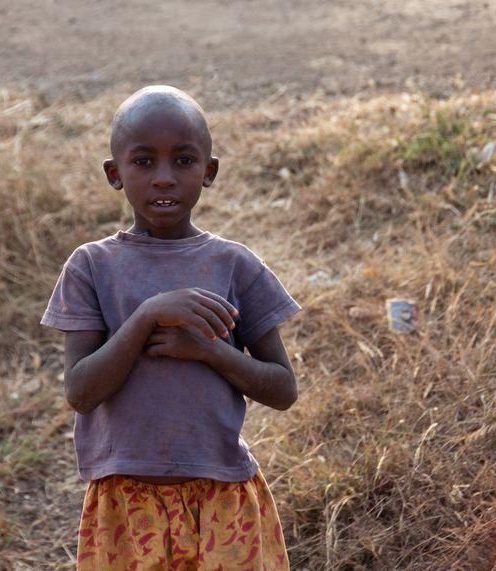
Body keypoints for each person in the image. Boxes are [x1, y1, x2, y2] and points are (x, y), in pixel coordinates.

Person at [40, 85, 302, 569]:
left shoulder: (234, 265)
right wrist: (146, 316)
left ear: (209, 172)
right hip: (124, 504)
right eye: (143, 162)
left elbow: (283, 389)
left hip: (223, 498)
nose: (164, 179)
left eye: (183, 161)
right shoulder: (91, 267)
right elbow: (80, 391)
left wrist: (209, 351)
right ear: (115, 174)